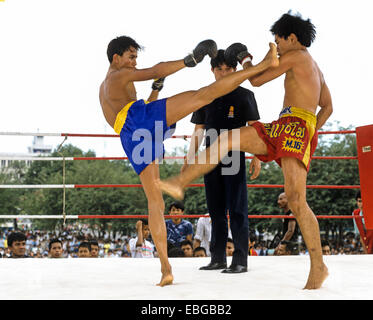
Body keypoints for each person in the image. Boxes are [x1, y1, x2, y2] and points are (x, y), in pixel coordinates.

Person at [159, 12, 331, 289]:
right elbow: (327, 106)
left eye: (278, 40)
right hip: (287, 125)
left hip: (295, 126)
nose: (277, 45)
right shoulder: (316, 69)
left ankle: (318, 267)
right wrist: (313, 132)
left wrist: (247, 59)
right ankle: (181, 182)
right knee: (226, 139)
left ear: (292, 38)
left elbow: (258, 79)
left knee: (297, 200)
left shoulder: (297, 56)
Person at [99, 35, 278, 286]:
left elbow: (144, 111)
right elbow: (156, 70)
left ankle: (165, 269)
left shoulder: (108, 89)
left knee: (156, 201)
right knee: (201, 96)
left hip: (133, 135)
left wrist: (156, 88)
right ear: (116, 57)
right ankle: (261, 66)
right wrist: (189, 60)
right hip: (148, 124)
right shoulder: (118, 75)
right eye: (131, 57)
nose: (134, 63)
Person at [185, 49, 261, 274]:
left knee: (237, 209)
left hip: (234, 155)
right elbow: (198, 129)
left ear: (235, 70)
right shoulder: (205, 95)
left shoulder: (244, 95)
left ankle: (240, 260)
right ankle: (217, 258)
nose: (224, 72)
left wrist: (257, 157)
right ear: (212, 70)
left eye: (229, 68)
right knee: (215, 210)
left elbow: (255, 127)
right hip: (209, 157)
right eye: (219, 68)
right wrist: (190, 158)